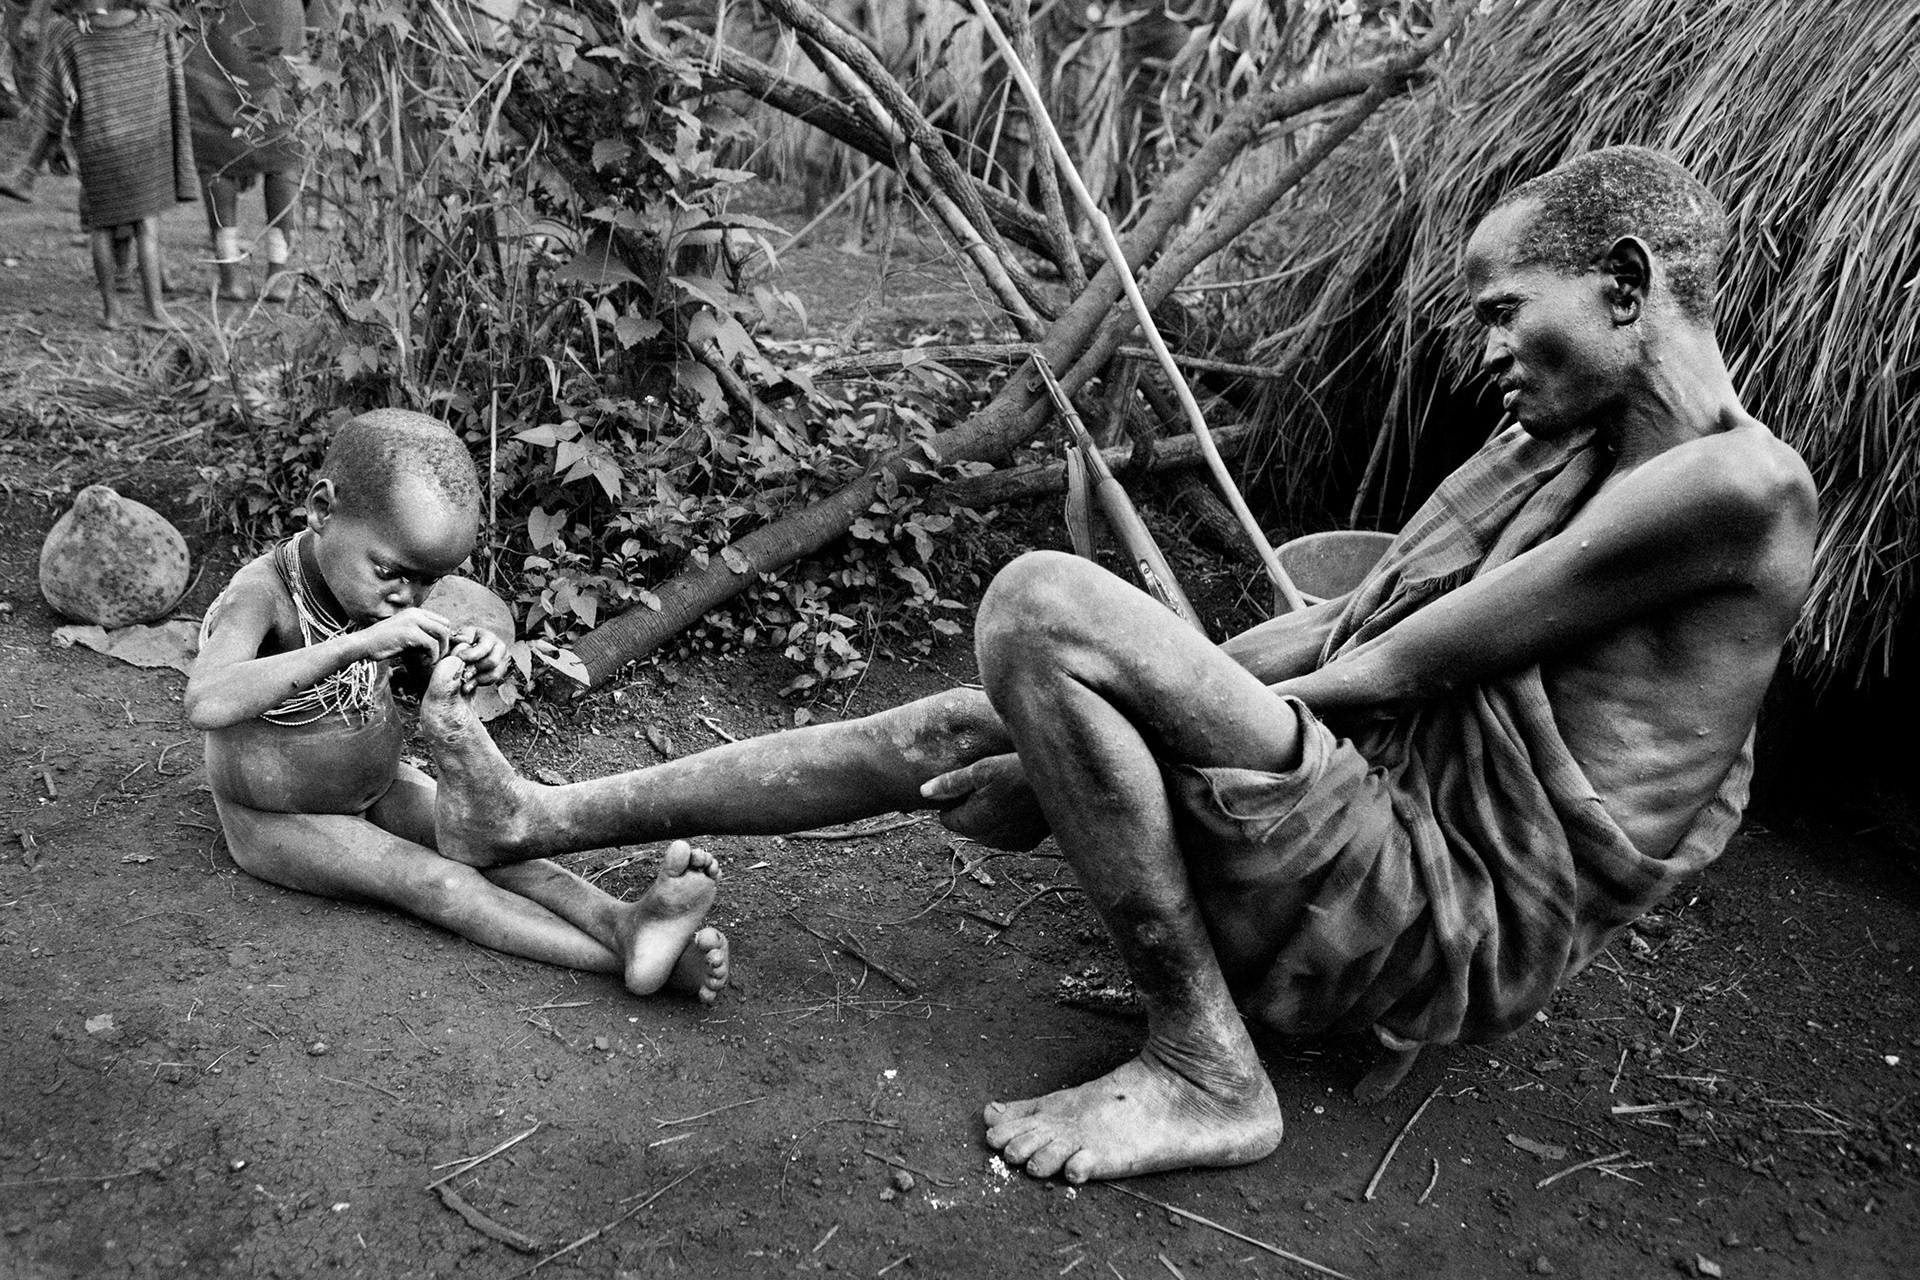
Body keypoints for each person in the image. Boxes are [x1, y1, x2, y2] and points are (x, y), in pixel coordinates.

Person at [412, 146, 1816, 1182]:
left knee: (1039, 607)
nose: (1490, 350)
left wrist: (1094, 725)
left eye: (1511, 310)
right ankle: (539, 817)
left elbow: (1391, 674)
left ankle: (1208, 1065)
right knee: (990, 706)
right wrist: (1089, 723)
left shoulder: (1737, 492)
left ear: (1627, 287)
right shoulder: (1568, 447)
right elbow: (1349, 627)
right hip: (1382, 830)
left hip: (1437, 912)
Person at [185, 409, 730, 1003]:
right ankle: (632, 962)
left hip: (380, 786)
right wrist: (358, 644)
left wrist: (459, 663)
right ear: (322, 511)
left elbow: (412, 674)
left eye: (428, 583)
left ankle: (627, 925)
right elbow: (206, 700)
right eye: (393, 573)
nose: (407, 597)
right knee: (439, 882)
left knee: (496, 844)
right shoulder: (262, 595)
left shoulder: (373, 593)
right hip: (279, 818)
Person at [1, 0, 195, 330]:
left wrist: (55, 143)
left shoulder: (68, 34)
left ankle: (112, 312)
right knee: (147, 225)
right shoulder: (154, 26)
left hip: (97, 142)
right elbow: (182, 28)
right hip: (143, 141)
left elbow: (53, 98)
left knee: (102, 226)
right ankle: (154, 310)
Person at [182, 0, 311, 301]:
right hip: (281, 22)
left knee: (218, 156)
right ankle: (277, 276)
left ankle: (231, 278)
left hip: (225, 28)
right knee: (282, 154)